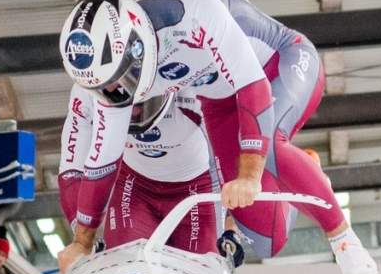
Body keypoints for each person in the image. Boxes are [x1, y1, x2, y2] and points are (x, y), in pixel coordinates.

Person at [56, 0, 378, 274]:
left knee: (270, 154)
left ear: (135, 45)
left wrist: (250, 175)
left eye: (119, 79)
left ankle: (344, 241)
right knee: (265, 237)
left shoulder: (191, 12)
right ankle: (304, 171)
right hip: (221, 99)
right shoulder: (113, 87)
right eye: (104, 88)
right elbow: (102, 163)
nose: (116, 92)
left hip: (278, 65)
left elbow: (255, 88)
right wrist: (82, 242)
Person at [59, 85, 300, 261]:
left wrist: (231, 225)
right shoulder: (87, 91)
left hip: (198, 189)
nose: (135, 117)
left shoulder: (197, 85)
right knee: (126, 266)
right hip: (135, 187)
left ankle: (293, 181)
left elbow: (228, 159)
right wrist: (82, 239)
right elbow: (72, 170)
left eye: (142, 108)